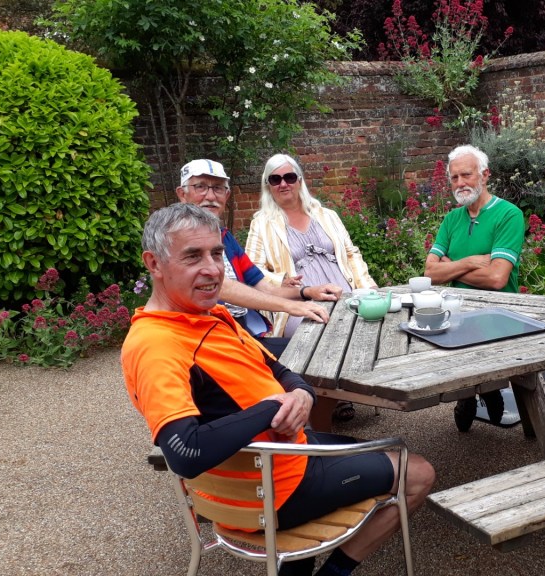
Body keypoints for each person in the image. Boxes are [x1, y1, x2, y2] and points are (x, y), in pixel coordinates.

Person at [121, 203, 435, 576]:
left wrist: (301, 395)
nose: (212, 268)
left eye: (217, 254)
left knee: (376, 448)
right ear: (154, 264)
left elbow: (280, 370)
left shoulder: (209, 316)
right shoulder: (156, 345)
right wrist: (273, 408)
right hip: (271, 489)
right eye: (193, 256)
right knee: (418, 472)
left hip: (280, 459)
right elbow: (185, 452)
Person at [176, 159, 342, 359]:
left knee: (317, 347)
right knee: (309, 356)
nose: (210, 196)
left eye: (218, 188)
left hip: (240, 335)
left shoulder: (225, 238)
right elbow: (221, 287)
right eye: (200, 187)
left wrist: (307, 292)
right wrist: (291, 306)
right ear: (182, 194)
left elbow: (265, 288)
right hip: (205, 343)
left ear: (226, 195)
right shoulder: (178, 237)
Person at [424, 145, 524, 431]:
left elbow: (497, 279)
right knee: (436, 335)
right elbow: (430, 273)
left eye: (466, 175)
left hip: (499, 311)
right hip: (457, 310)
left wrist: (451, 266)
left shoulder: (509, 215)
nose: (460, 183)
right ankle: (469, 393)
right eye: (454, 177)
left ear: (485, 175)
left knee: (474, 340)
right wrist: (470, 262)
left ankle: (482, 390)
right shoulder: (451, 219)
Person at [245, 153, 377, 338]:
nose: (283, 184)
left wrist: (367, 287)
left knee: (366, 327)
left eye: (289, 177)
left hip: (343, 293)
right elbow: (251, 269)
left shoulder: (327, 216)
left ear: (299, 181)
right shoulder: (261, 224)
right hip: (298, 304)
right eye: (275, 179)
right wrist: (280, 280)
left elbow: (350, 254)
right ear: (268, 186)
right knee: (318, 334)